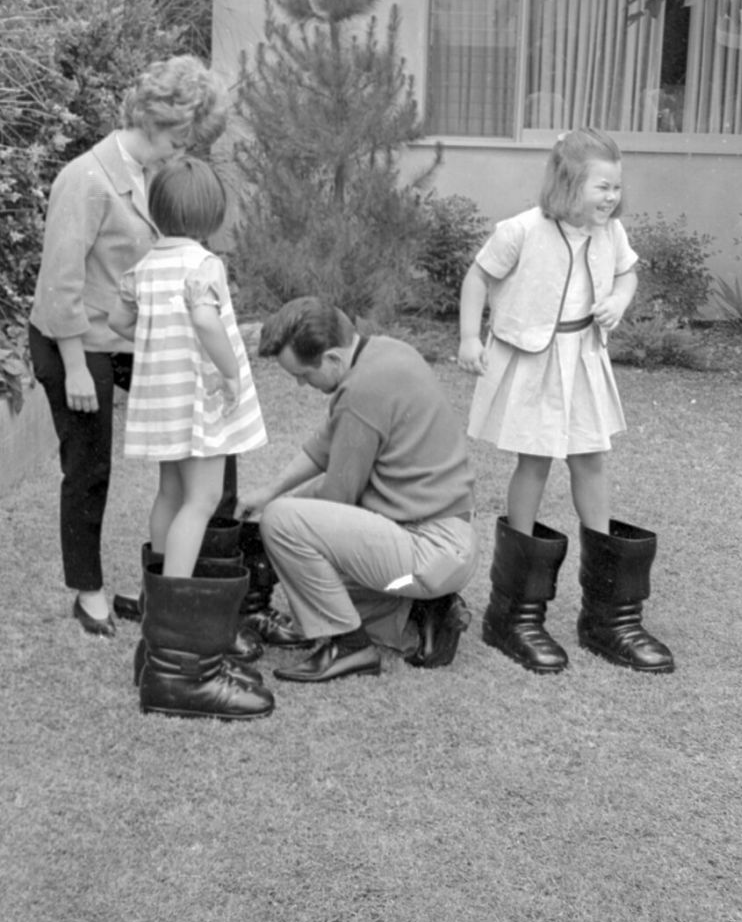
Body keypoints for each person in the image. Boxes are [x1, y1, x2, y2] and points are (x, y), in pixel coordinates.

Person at [28, 54, 236, 639]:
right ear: (153, 118)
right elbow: (59, 287)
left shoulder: (154, 175)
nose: (185, 150)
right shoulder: (86, 179)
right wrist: (73, 368)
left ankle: (177, 582)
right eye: (181, 136)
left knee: (211, 434)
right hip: (71, 339)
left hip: (124, 334)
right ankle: (88, 593)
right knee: (89, 465)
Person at [458, 127, 674, 675]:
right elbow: (477, 278)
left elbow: (627, 272)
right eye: (601, 187)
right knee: (533, 463)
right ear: (567, 182)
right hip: (533, 360)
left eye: (616, 187)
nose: (611, 197)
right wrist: (467, 337)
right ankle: (514, 614)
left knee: (591, 459)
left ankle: (608, 615)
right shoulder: (521, 231)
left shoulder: (611, 232)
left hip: (583, 358)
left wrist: (619, 303)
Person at [107, 158, 274, 719]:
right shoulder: (202, 263)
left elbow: (117, 320)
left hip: (160, 398)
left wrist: (153, 330)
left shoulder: (146, 263)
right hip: (200, 401)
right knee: (202, 502)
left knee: (171, 497)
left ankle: (158, 627)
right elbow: (206, 323)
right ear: (210, 214)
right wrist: (229, 372)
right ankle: (173, 636)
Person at [237, 297, 478, 683]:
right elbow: (327, 448)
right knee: (309, 584)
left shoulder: (363, 392)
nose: (301, 384)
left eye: (303, 374)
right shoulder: (385, 353)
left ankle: (349, 646)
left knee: (284, 526)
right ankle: (421, 615)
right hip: (445, 543)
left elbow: (336, 500)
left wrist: (275, 520)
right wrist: (270, 492)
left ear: (332, 358)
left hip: (425, 549)